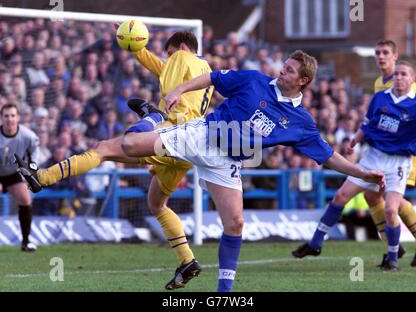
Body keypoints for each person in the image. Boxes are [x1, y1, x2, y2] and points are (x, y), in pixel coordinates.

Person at [20, 49, 380, 292]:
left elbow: (330, 157)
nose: (282, 70)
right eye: (284, 65)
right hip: (204, 135)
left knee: (235, 223)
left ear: (302, 81)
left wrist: (363, 174)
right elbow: (211, 77)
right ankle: (49, 175)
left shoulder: (301, 122)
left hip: (227, 162)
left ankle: (224, 291)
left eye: (289, 70)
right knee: (124, 147)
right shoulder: (253, 79)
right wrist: (178, 88)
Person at [15, 31, 213, 290]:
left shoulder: (182, 57)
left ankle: (41, 178)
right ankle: (187, 261)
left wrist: (160, 114)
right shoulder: (203, 68)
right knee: (156, 204)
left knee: (104, 148)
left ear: (183, 47)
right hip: (189, 146)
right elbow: (160, 67)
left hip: (171, 133)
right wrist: (134, 46)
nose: (169, 59)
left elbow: (169, 88)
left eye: (170, 53)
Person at [292, 61, 416, 271]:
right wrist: (355, 140)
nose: (399, 77)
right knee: (340, 196)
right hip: (373, 157)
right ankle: (315, 243)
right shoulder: (380, 98)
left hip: (398, 162)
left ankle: (392, 258)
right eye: (396, 74)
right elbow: (368, 123)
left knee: (391, 210)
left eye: (404, 74)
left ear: (412, 79)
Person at [365, 40, 416, 267]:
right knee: (373, 196)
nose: (380, 57)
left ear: (395, 57)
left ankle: (392, 251)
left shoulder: (410, 87)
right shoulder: (380, 84)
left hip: (405, 155)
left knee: (390, 202)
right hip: (384, 152)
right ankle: (392, 247)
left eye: (386, 53)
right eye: (377, 53)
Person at [0, 103, 39, 252]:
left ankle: (26, 241)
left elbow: (34, 154)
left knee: (25, 200)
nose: (10, 119)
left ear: (18, 117)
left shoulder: (28, 136)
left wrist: (31, 170)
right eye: (6, 116)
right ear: (1, 118)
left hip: (13, 173)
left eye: (13, 115)